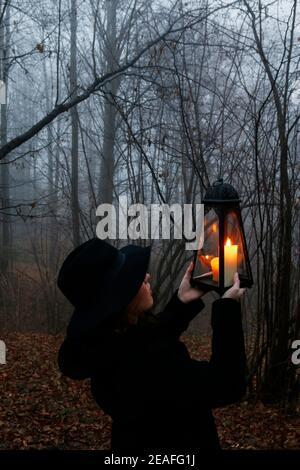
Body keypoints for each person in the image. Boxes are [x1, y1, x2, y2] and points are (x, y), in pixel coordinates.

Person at [57, 238, 247, 451]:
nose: (147, 276)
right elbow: (228, 383)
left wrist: (181, 302)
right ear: (122, 296)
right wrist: (227, 309)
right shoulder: (150, 363)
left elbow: (146, 343)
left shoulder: (106, 349)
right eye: (135, 277)